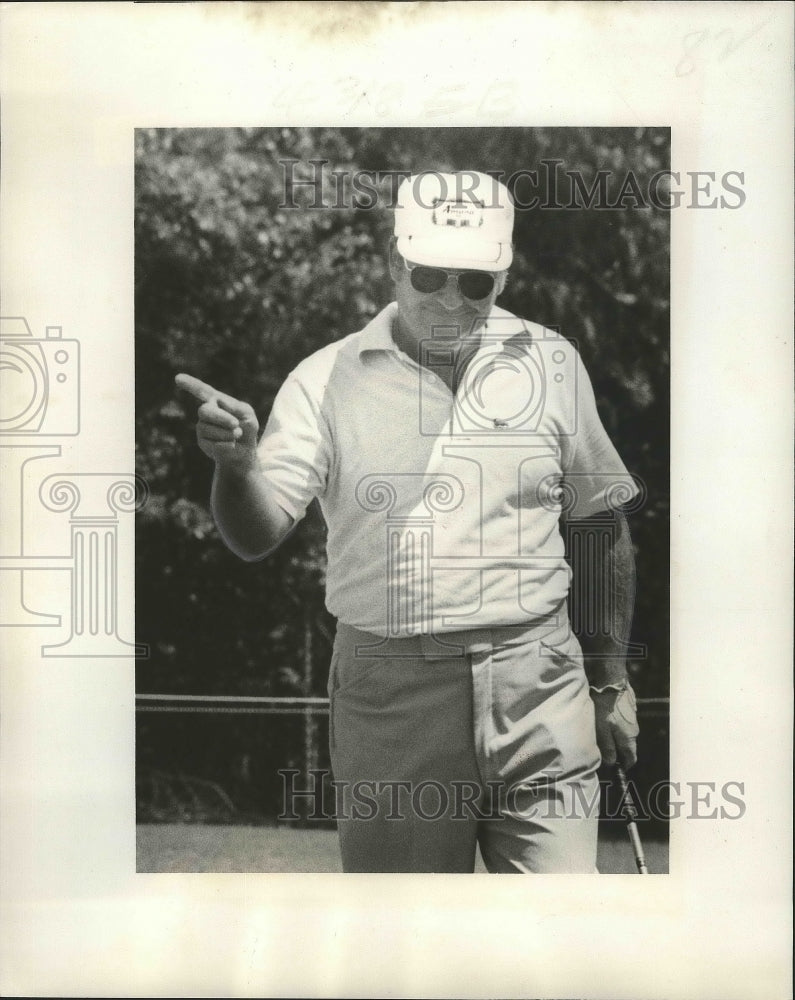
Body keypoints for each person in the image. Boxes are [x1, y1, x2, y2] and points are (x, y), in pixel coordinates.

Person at [177, 170, 640, 873]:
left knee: (561, 938)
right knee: (404, 941)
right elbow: (257, 533)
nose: (450, 298)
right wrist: (237, 467)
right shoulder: (324, 378)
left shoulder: (551, 361)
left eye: (475, 282)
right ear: (394, 265)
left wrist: (610, 682)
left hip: (540, 680)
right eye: (429, 275)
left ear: (504, 278)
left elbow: (600, 522)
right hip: (392, 693)